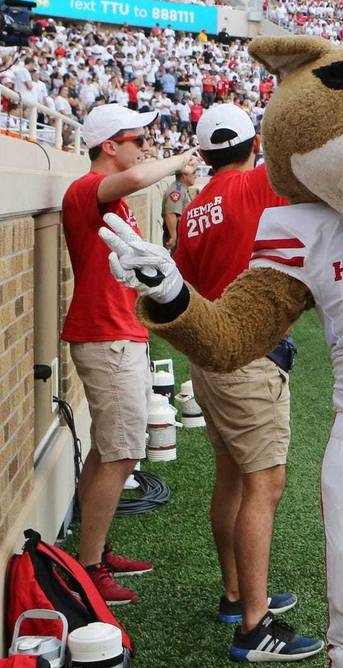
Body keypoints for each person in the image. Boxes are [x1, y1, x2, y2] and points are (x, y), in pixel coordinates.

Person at [173, 104, 323, 662]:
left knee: (232, 479)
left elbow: (187, 277)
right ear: (252, 144)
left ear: (206, 153)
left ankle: (238, 597)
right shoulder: (257, 183)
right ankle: (254, 626)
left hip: (210, 355)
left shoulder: (194, 209)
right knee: (265, 484)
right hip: (248, 356)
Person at [61, 104, 198, 604]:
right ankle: (91, 567)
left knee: (111, 450)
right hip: (105, 337)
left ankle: (94, 554)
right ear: (108, 145)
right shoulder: (85, 190)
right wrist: (182, 158)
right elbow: (140, 175)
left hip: (119, 334)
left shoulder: (109, 200)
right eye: (134, 136)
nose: (143, 143)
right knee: (120, 454)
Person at [161, 160, 195, 250]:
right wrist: (173, 236)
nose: (196, 176)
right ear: (184, 175)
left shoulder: (182, 189)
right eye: (193, 173)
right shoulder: (177, 191)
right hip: (177, 238)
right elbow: (170, 213)